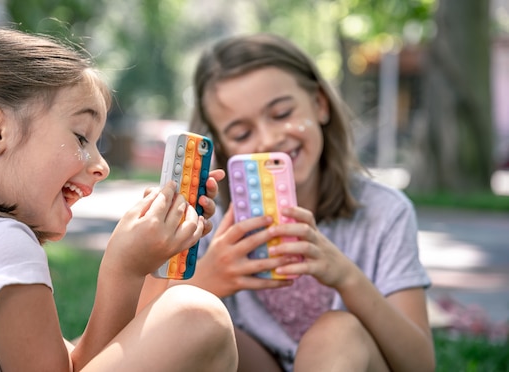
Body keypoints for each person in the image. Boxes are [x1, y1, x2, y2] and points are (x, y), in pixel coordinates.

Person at [0, 27, 238, 372]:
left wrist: (151, 265)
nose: (102, 166)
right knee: (196, 317)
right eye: (81, 138)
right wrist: (123, 269)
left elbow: (81, 360)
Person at [141, 33, 435, 372]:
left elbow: (420, 365)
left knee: (336, 331)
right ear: (222, 147)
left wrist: (346, 276)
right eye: (241, 133)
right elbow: (143, 340)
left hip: (347, 359)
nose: (268, 139)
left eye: (281, 113)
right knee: (194, 320)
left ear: (320, 104)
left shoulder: (386, 213)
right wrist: (208, 278)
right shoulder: (208, 222)